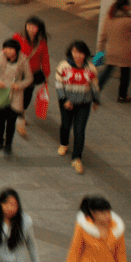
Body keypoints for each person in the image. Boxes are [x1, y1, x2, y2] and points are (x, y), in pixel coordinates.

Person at [55, 40, 101, 174]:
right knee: (65, 125)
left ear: (85, 54)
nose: (78, 55)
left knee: (79, 131)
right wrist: (64, 100)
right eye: (75, 52)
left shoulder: (91, 68)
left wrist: (96, 100)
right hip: (66, 102)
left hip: (83, 103)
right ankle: (64, 143)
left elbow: (94, 85)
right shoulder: (63, 66)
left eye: (80, 53)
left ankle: (76, 158)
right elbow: (58, 84)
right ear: (71, 52)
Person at [0, 38, 32, 155]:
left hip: (15, 94)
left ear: (16, 50)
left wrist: (19, 85)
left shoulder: (23, 60)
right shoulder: (0, 56)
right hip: (2, 92)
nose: (7, 51)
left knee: (11, 121)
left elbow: (29, 78)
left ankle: (8, 143)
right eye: (6, 48)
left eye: (11, 49)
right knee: (0, 119)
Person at [13, 16, 51, 138]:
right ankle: (19, 123)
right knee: (19, 96)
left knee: (28, 96)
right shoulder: (18, 37)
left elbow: (45, 58)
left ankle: (21, 113)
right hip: (21, 73)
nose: (30, 29)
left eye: (33, 27)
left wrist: (47, 73)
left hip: (33, 73)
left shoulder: (41, 41)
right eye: (28, 25)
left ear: (39, 28)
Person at [97, 0, 131, 102]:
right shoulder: (129, 20)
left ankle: (95, 91)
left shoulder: (109, 17)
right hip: (125, 54)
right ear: (126, 7)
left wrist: (99, 54)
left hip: (111, 52)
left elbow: (102, 37)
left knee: (107, 72)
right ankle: (122, 96)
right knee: (125, 75)